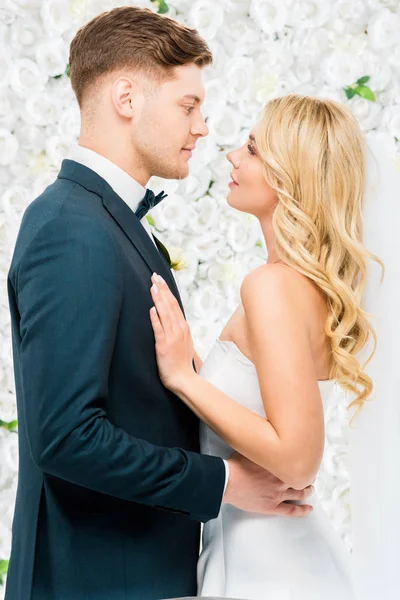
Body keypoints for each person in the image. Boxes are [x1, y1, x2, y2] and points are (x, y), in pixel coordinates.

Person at [5, 8, 313, 600]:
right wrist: (222, 481)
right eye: (188, 105)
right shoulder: (70, 227)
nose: (202, 127)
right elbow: (66, 436)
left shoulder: (110, 224)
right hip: (94, 582)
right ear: (126, 97)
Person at [149, 94, 383, 599]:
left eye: (253, 148)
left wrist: (184, 378)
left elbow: (298, 460)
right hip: (263, 550)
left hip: (270, 565)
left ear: (290, 175)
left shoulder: (272, 285)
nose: (233, 156)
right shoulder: (303, 287)